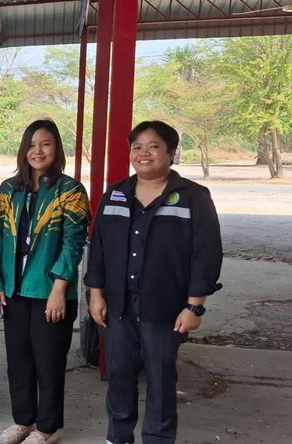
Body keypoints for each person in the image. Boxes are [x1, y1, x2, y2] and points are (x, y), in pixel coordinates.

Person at [85, 121, 223, 444]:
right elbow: (99, 248)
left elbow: (207, 253)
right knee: (119, 375)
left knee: (160, 379)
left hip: (165, 307)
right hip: (117, 305)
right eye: (137, 147)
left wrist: (194, 307)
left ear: (171, 152)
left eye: (153, 146)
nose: (143, 153)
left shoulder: (193, 197)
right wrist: (96, 294)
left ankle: (158, 438)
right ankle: (118, 437)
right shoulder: (115, 194)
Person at [0, 120, 91, 444]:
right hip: (14, 288)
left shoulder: (70, 190)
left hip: (51, 290)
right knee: (19, 360)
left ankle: (47, 428)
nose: (38, 151)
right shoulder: (8, 189)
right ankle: (23, 420)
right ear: (24, 150)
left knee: (49, 362)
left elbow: (74, 243)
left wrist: (60, 288)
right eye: (32, 145)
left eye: (45, 144)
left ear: (56, 148)